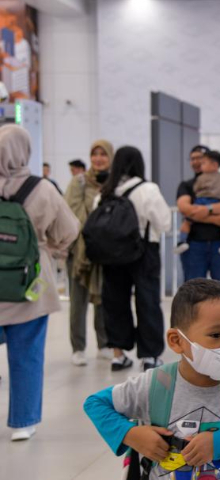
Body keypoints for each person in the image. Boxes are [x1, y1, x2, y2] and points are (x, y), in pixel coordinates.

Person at [83, 279, 220, 479]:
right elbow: (96, 403)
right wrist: (130, 434)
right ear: (177, 341)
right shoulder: (155, 384)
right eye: (216, 334)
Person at [0, 125, 80, 441]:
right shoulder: (43, 188)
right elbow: (69, 229)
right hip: (29, 284)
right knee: (27, 354)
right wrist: (49, 251)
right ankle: (23, 422)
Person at [97, 146, 171, 372]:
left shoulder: (105, 192)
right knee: (147, 301)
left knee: (114, 303)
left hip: (111, 254)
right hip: (144, 251)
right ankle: (149, 356)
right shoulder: (147, 189)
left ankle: (118, 355)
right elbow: (164, 222)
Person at [64, 140, 115, 366]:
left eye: (103, 154)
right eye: (94, 154)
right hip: (81, 251)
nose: (98, 159)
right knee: (78, 300)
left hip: (105, 250)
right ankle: (78, 347)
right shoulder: (80, 181)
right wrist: (96, 229)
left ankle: (103, 344)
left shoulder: (115, 182)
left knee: (103, 299)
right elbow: (72, 212)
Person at [177, 147, 220, 287]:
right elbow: (185, 208)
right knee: (194, 291)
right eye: (193, 159)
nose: (197, 162)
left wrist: (206, 210)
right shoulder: (188, 185)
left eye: (200, 158)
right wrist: (218, 219)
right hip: (194, 244)